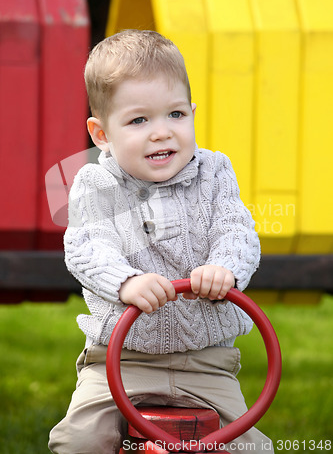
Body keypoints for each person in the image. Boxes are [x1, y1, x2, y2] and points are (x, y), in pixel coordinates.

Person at [49, 29, 273, 454]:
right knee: (77, 441)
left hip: (207, 362)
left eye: (175, 115)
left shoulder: (214, 173)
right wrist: (126, 282)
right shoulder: (96, 182)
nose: (162, 133)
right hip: (120, 360)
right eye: (139, 120)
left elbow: (237, 231)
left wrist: (223, 268)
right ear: (101, 135)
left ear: (192, 113)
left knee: (251, 447)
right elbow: (85, 245)